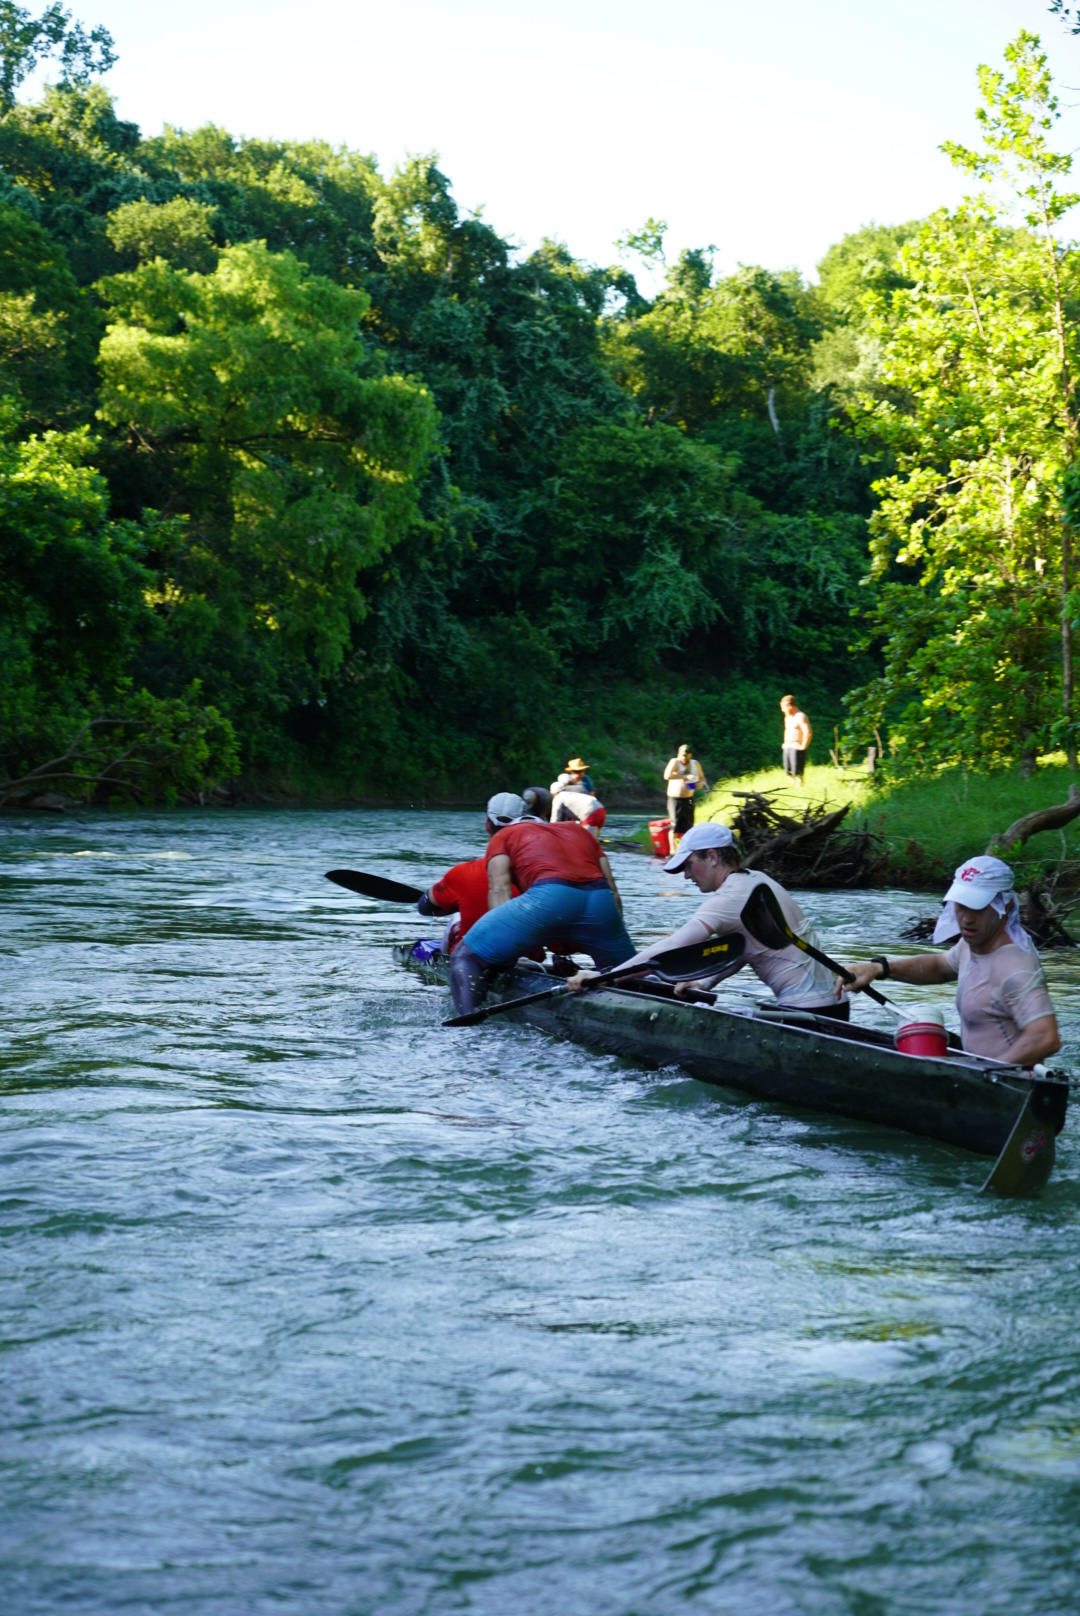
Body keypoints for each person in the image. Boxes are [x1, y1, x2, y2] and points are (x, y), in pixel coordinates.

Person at [566, 821, 848, 1018]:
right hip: (836, 1005)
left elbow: (675, 945)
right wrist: (703, 983)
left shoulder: (728, 898)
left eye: (689, 865)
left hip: (805, 1011)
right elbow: (743, 951)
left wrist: (605, 978)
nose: (687, 876)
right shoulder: (758, 880)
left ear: (712, 857)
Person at [839, 855, 1060, 1066]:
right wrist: (879, 968)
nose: (967, 918)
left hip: (1008, 1089)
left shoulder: (1015, 967)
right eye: (961, 905)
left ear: (1006, 906)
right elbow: (939, 967)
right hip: (978, 1078)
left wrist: (982, 1074)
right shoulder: (972, 946)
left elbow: (1045, 1038)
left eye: (978, 907)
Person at [449, 792, 635, 1015]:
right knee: (627, 973)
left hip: (551, 898)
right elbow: (613, 891)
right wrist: (611, 933)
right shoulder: (578, 830)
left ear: (489, 825)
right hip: (600, 902)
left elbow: (500, 891)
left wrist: (502, 955)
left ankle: (466, 1024)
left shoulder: (503, 835)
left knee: (465, 956)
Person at [663, 745, 707, 840]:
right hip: (675, 799)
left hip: (688, 799)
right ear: (678, 754)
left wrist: (701, 783)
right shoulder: (675, 762)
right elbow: (667, 776)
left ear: (690, 755)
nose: (684, 758)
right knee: (675, 824)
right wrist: (685, 776)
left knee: (689, 826)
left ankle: (687, 849)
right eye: (682, 756)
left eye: (686, 756)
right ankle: (672, 852)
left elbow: (703, 778)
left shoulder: (695, 764)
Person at [780, 696, 811, 783]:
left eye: (783, 707)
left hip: (796, 748)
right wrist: (785, 743)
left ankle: (800, 791)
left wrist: (803, 746)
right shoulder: (787, 718)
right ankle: (793, 791)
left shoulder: (800, 716)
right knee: (789, 773)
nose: (782, 710)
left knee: (798, 774)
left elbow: (808, 732)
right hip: (787, 747)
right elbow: (787, 731)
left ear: (789, 706)